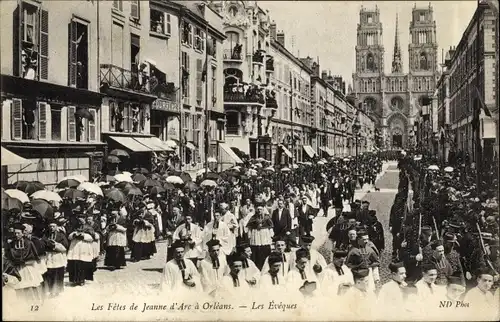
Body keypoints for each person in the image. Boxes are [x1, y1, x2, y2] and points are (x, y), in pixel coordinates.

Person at [4, 223, 43, 302]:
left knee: (30, 286)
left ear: (22, 233)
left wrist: (23, 261)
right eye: (15, 233)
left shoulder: (28, 243)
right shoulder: (11, 244)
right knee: (18, 287)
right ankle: (22, 304)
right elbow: (8, 256)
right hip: (17, 268)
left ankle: (35, 304)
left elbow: (34, 256)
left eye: (18, 233)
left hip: (27, 267)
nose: (16, 235)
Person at [43, 219, 69, 297]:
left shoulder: (61, 235)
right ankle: (51, 290)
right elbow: (43, 243)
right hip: (49, 256)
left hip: (58, 256)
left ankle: (57, 290)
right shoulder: (46, 235)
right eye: (50, 226)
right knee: (50, 272)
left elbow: (65, 245)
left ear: (56, 227)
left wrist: (56, 245)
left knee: (58, 273)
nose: (52, 228)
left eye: (53, 226)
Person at [67, 219, 95, 286]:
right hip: (75, 250)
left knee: (83, 265)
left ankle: (82, 279)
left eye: (81, 225)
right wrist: (74, 235)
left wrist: (83, 236)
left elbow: (91, 238)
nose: (80, 227)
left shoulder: (88, 230)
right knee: (75, 265)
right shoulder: (74, 231)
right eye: (79, 225)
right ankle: (75, 279)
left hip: (84, 249)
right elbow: (69, 237)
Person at [246, 204, 274, 270]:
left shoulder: (267, 217)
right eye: (258, 209)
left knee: (265, 247)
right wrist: (249, 235)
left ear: (263, 210)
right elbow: (250, 226)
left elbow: (270, 226)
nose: (259, 211)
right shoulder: (253, 217)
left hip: (264, 233)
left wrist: (271, 234)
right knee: (256, 248)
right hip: (256, 233)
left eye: (261, 209)